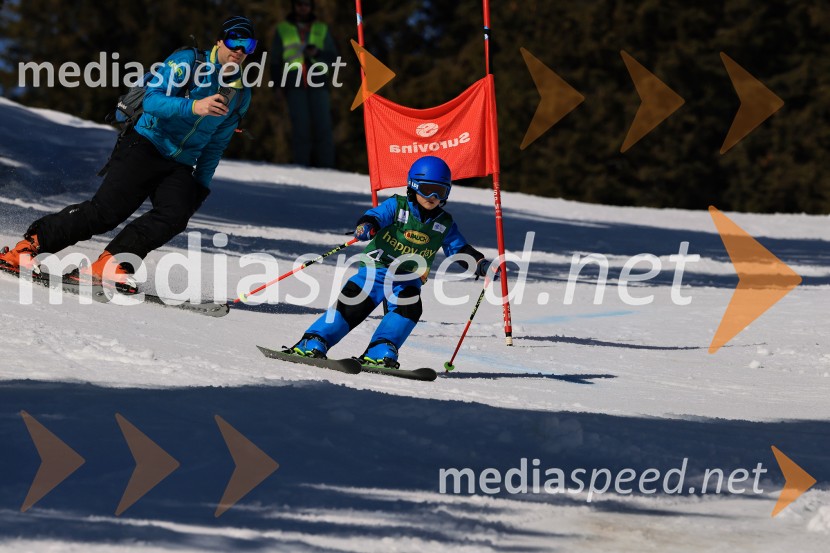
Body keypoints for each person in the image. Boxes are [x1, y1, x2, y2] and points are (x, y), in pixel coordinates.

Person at [0, 16, 256, 292]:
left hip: (180, 162)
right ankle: (27, 247)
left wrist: (201, 186)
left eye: (248, 45)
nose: (239, 50)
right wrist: (194, 107)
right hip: (145, 142)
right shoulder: (188, 62)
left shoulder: (239, 94)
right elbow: (152, 100)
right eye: (234, 41)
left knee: (175, 213)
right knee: (106, 212)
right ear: (219, 41)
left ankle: (111, 264)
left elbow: (217, 143)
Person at [285, 156, 491, 368]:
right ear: (413, 185)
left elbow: (459, 249)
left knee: (409, 309)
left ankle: (380, 349)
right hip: (377, 267)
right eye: (427, 188)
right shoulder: (398, 206)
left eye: (440, 191)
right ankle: (314, 340)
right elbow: (376, 216)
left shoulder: (443, 223)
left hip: (408, 278)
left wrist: (480, 264)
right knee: (354, 304)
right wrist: (367, 225)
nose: (432, 196)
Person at [271, 0, 338, 168]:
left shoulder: (321, 29)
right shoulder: (283, 29)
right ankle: (301, 168)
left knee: (323, 128)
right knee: (300, 129)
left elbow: (333, 57)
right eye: (299, 4)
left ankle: (327, 168)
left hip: (318, 83)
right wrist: (277, 86)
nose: (303, 7)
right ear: (294, 6)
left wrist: (317, 53)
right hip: (294, 83)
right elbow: (275, 61)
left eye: (307, 4)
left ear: (311, 7)